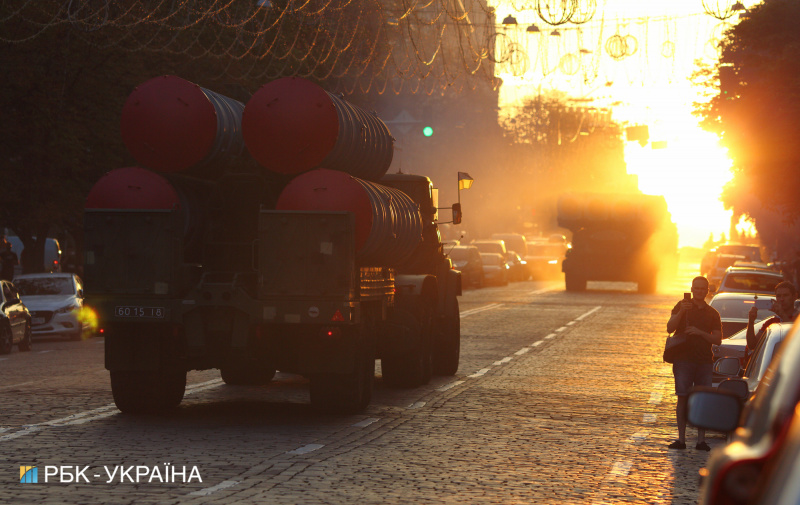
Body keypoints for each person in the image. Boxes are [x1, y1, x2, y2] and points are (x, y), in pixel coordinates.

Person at [665, 276, 723, 451]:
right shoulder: (680, 306)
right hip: (683, 360)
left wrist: (699, 332)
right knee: (682, 397)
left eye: (702, 288)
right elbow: (669, 327)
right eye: (696, 288)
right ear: (691, 289)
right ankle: (681, 440)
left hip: (704, 361)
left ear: (707, 291)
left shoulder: (713, 313)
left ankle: (701, 440)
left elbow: (718, 339)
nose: (699, 291)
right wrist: (682, 311)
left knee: (702, 400)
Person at [745, 280, 799, 349]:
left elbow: (795, 337)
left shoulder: (798, 318)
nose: (782, 299)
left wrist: (782, 314)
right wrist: (751, 322)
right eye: (779, 296)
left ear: (794, 296)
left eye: (785, 295)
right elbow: (752, 345)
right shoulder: (771, 323)